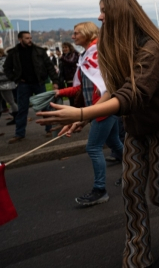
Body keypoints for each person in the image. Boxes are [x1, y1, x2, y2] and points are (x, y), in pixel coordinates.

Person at [36, 0, 159, 267]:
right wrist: (85, 118)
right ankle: (137, 257)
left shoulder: (152, 47)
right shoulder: (114, 46)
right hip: (135, 130)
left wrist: (83, 111)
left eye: (104, 10)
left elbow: (134, 94)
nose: (99, 17)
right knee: (131, 190)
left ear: (120, 12)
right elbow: (117, 90)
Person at [54, 22, 123, 206]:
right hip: (102, 107)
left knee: (93, 147)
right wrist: (60, 93)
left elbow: (106, 86)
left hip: (102, 107)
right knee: (114, 142)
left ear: (87, 33)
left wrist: (86, 115)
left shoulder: (95, 52)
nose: (73, 36)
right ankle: (135, 172)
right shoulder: (88, 53)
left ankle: (100, 190)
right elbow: (82, 86)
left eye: (76, 33)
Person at [4, 31, 59, 143]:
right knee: (22, 109)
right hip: (23, 84)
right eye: (27, 38)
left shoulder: (39, 51)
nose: (29, 40)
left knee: (45, 107)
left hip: (38, 83)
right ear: (20, 39)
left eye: (30, 38)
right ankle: (19, 134)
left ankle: (50, 129)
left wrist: (55, 81)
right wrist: (15, 78)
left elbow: (49, 66)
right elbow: (7, 68)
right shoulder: (14, 53)